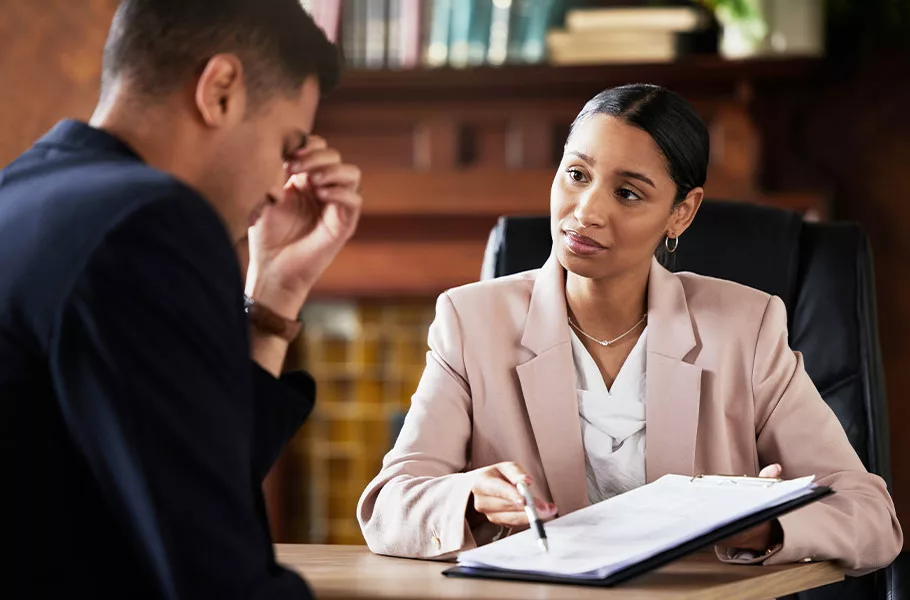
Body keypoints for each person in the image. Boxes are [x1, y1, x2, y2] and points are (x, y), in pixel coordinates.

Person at [357, 84, 902, 575]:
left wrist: (761, 526)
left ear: (681, 213)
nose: (586, 212)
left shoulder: (747, 327)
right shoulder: (469, 320)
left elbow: (872, 516)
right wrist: (468, 497)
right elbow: (389, 506)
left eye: (628, 193)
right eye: (576, 175)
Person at [3, 1, 361, 598]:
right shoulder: (148, 220)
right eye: (285, 145)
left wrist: (275, 292)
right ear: (220, 89)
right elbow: (216, 573)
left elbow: (186, 484)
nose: (280, 186)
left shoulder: (26, 191)